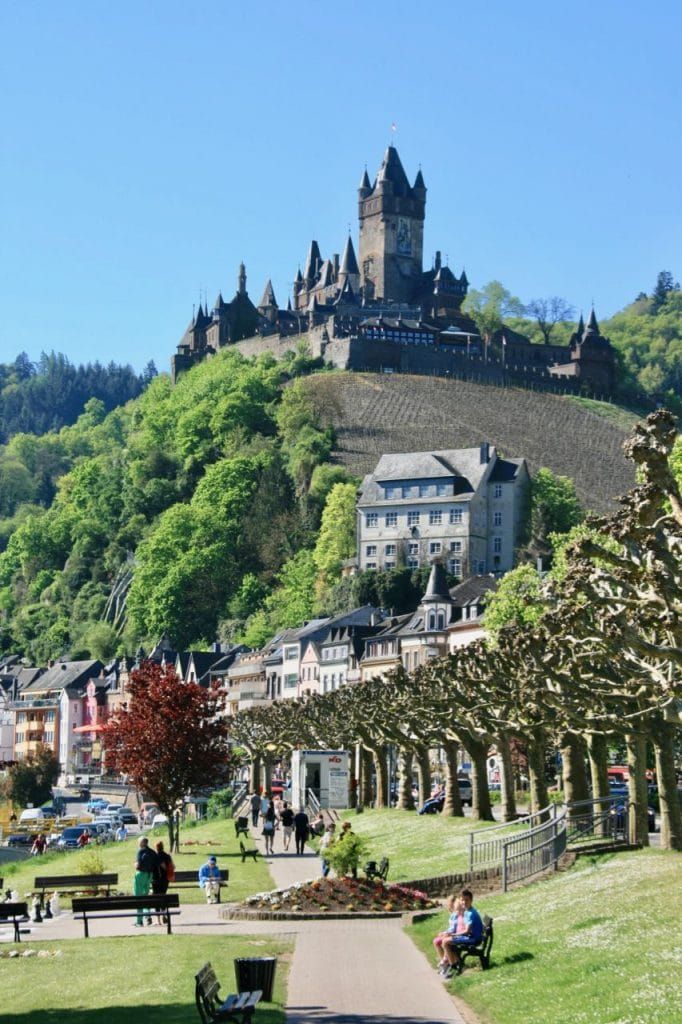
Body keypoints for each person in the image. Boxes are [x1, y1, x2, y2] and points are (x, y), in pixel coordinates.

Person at [442, 888, 484, 977]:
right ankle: (455, 964)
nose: (464, 902)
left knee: (445, 942)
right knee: (447, 940)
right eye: (462, 900)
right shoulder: (467, 911)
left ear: (471, 900)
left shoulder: (471, 913)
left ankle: (453, 967)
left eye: (467, 900)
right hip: (470, 937)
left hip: (473, 939)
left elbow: (467, 931)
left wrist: (453, 934)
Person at [433, 895, 466, 972]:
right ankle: (445, 961)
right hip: (454, 934)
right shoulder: (454, 913)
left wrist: (447, 933)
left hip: (456, 935)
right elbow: (452, 927)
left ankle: (448, 962)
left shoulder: (457, 914)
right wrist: (445, 932)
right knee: (436, 941)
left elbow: (455, 929)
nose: (448, 904)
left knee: (442, 941)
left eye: (450, 902)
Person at [133, 836, 158, 927]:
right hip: (149, 876)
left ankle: (139, 921)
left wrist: (135, 864)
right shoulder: (152, 852)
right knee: (145, 896)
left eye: (139, 842)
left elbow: (137, 865)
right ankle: (147, 916)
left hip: (140, 875)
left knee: (138, 898)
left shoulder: (140, 851)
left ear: (142, 843)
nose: (138, 844)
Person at [153, 840, 174, 924]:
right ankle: (164, 915)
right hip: (165, 880)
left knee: (156, 898)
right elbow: (173, 866)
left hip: (156, 880)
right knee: (163, 896)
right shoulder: (167, 856)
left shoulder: (156, 856)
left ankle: (158, 920)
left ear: (156, 847)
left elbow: (163, 866)